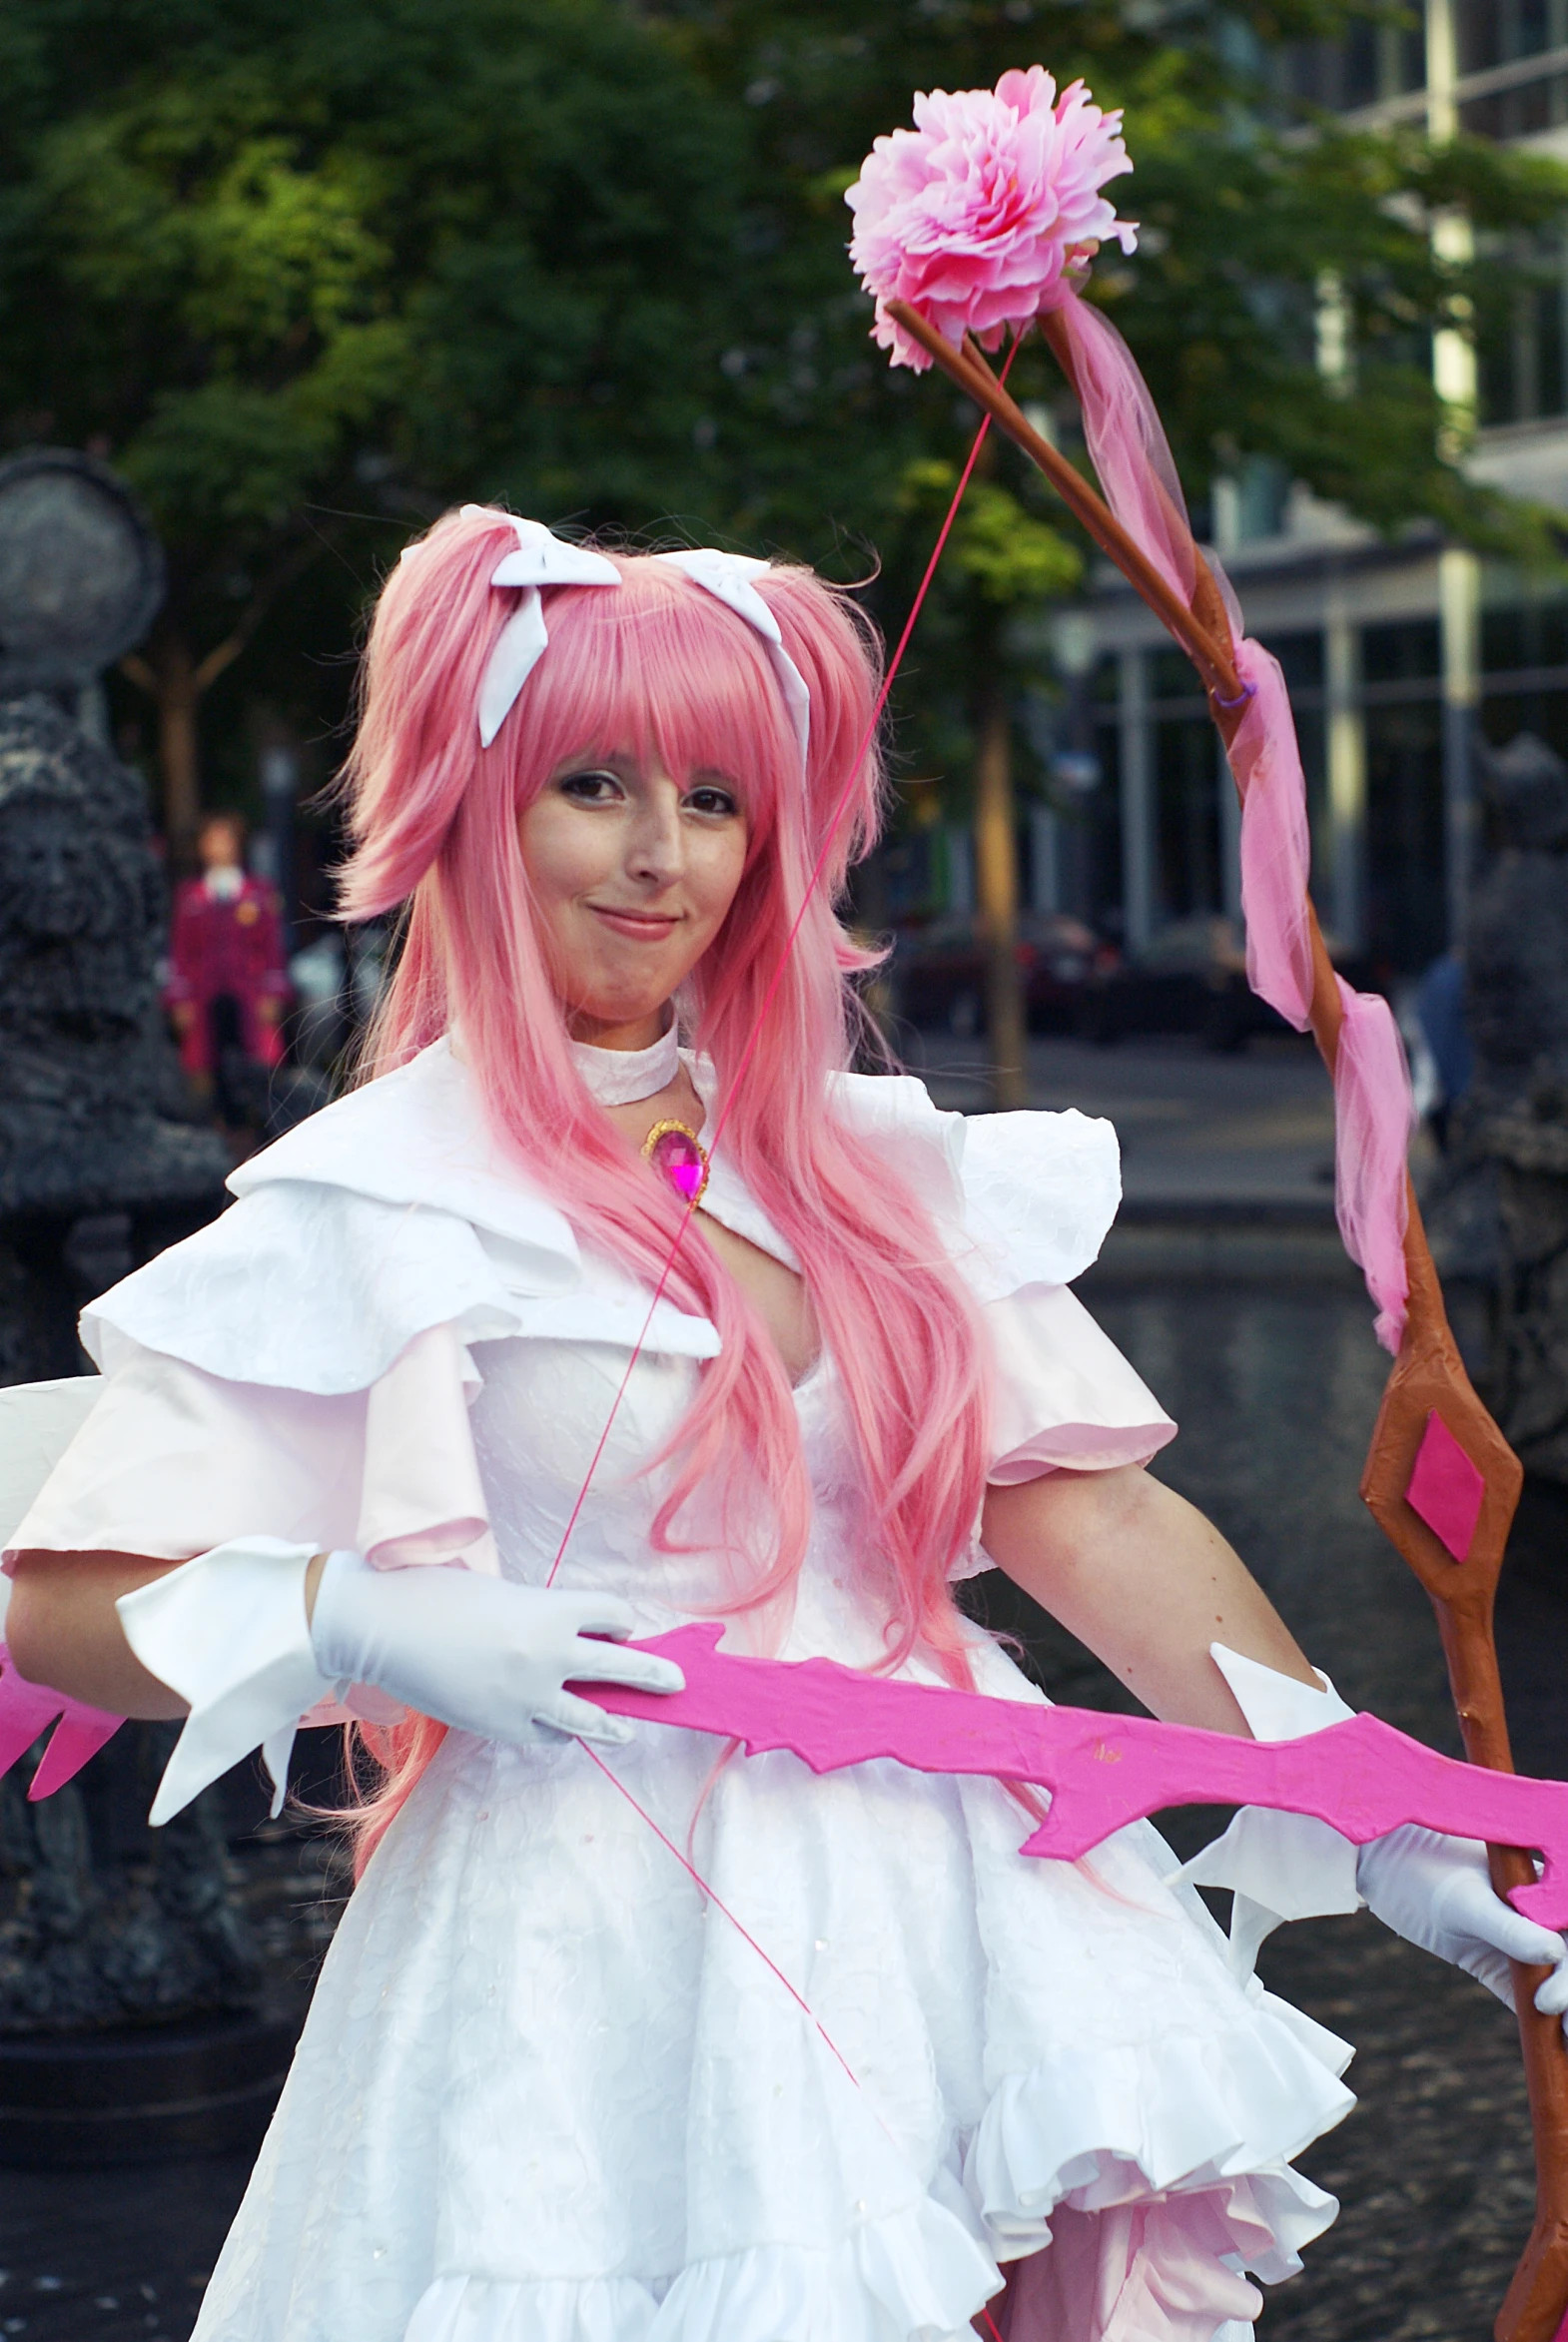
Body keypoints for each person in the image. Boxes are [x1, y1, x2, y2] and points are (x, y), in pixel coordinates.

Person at [7, 510, 1567, 2342]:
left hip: (959, 1883)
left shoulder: (860, 1164)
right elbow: (53, 1603)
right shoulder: (376, 1196)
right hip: (588, 1950)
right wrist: (353, 1619)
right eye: (594, 784)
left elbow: (1095, 1520)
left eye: (721, 800)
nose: (661, 858)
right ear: (477, 804)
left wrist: (1364, 1804)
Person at [165, 810, 291, 1122]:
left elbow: (272, 947)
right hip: (204, 993)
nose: (219, 847)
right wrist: (179, 998)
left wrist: (273, 992)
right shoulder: (190, 897)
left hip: (249, 992)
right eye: (212, 840)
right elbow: (181, 950)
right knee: (208, 1066)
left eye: (226, 839)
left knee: (257, 1060)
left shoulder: (258, 893)